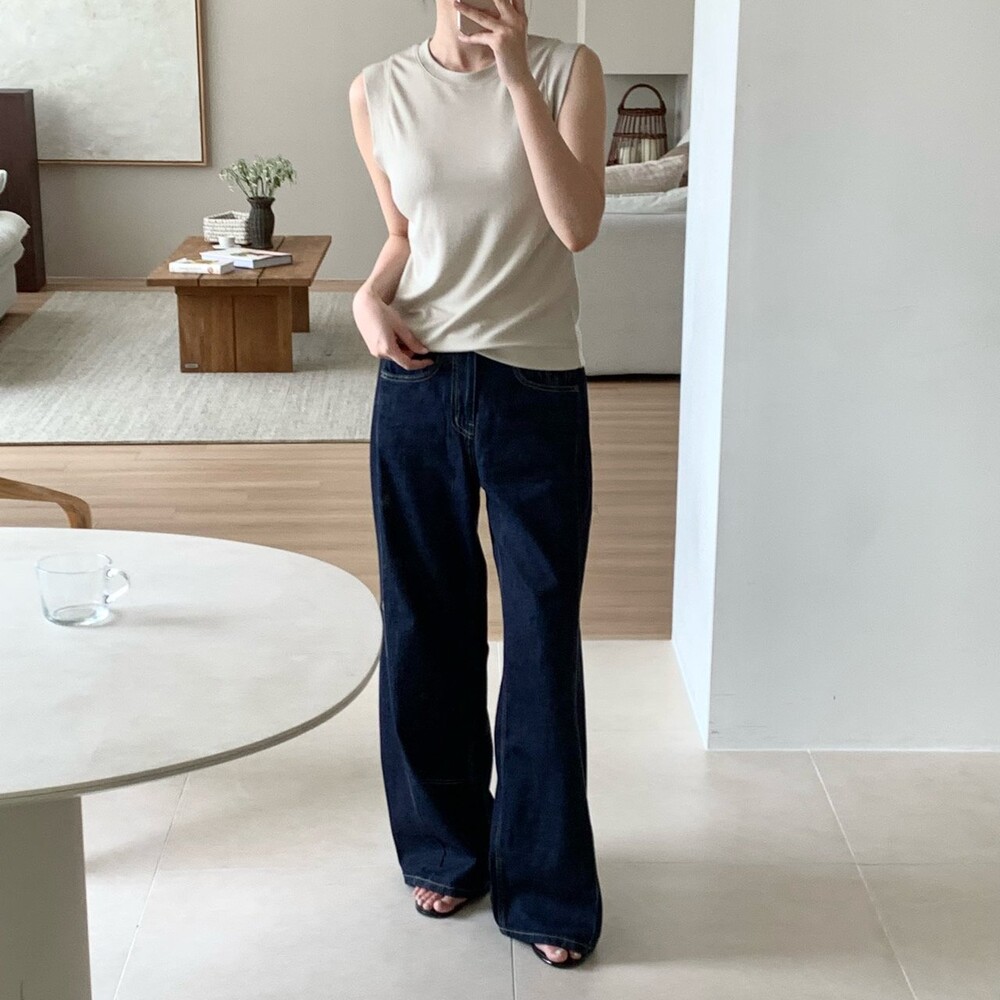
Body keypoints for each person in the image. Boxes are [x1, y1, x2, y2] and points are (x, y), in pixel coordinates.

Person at [348, 0, 606, 970]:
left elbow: (575, 224)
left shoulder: (569, 70)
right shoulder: (376, 91)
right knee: (424, 621)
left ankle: (546, 885)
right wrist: (367, 298)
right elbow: (402, 233)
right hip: (415, 383)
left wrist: (515, 76)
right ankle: (445, 847)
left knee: (540, 631)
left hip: (533, 386)